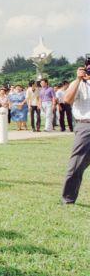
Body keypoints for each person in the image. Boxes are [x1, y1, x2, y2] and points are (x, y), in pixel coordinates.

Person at [61, 64, 90, 204]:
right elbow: (67, 99)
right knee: (77, 164)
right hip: (86, 126)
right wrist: (78, 79)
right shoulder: (78, 84)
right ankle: (68, 198)